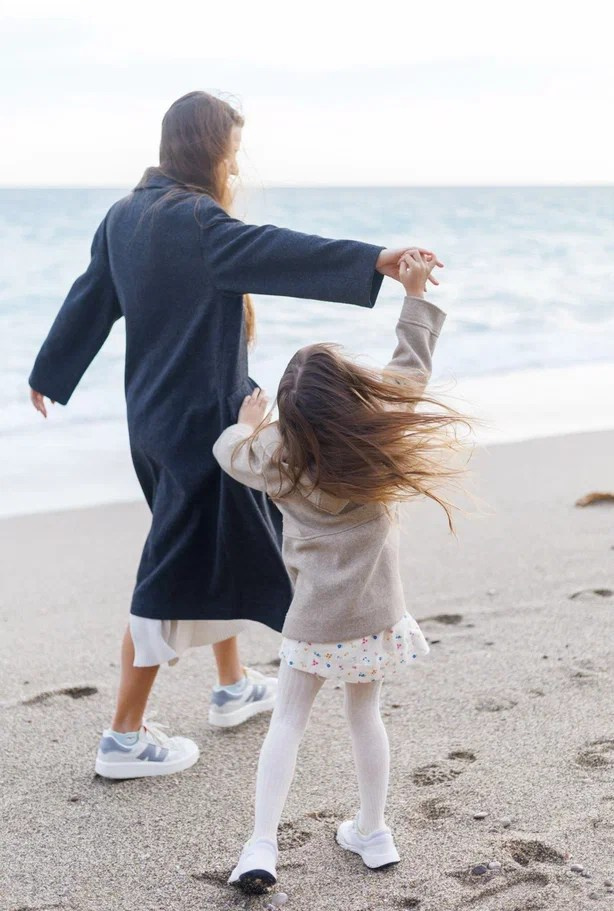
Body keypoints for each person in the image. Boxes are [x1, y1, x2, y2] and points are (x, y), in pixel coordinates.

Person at [28, 91, 439, 779]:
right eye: (232, 150)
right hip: (204, 433)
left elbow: (90, 296)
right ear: (209, 152)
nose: (236, 163)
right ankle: (123, 736)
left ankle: (232, 685)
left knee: (227, 542)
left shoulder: (124, 216)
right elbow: (281, 250)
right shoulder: (197, 221)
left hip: (157, 425)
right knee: (168, 569)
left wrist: (49, 370)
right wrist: (376, 259)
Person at [213, 250, 466, 892]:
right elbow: (410, 365)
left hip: (314, 621)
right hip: (377, 618)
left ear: (290, 416)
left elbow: (228, 456)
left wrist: (248, 425)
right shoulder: (376, 434)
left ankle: (261, 846)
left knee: (289, 722)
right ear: (350, 397)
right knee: (365, 717)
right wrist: (412, 292)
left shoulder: (272, 455)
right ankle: (373, 831)